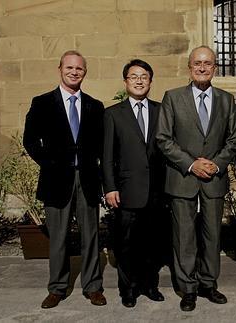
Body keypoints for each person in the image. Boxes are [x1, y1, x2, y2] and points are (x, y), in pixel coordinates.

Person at [155, 45, 236, 312]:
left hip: (214, 178)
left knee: (213, 234)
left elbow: (234, 138)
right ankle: (188, 288)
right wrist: (191, 164)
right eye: (197, 63)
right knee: (184, 236)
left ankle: (208, 284)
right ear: (189, 67)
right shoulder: (173, 97)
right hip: (183, 178)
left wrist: (216, 164)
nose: (202, 68)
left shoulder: (226, 100)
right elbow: (163, 138)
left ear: (214, 68)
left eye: (208, 63)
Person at [23, 50, 106, 309]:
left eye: (79, 68)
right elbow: (30, 140)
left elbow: (102, 144)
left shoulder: (95, 105)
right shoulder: (42, 102)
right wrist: (50, 164)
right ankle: (57, 288)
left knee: (90, 236)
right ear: (60, 69)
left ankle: (93, 286)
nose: (74, 72)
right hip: (56, 180)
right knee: (58, 237)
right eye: (69, 67)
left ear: (85, 72)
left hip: (88, 180)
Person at [102, 59, 169, 308]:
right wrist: (110, 187)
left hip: (156, 190)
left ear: (150, 81)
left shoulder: (162, 110)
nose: (139, 80)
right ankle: (128, 289)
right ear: (125, 82)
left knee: (153, 242)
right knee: (127, 243)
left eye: (144, 76)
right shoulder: (112, 114)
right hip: (126, 190)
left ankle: (150, 285)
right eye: (134, 76)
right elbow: (107, 156)